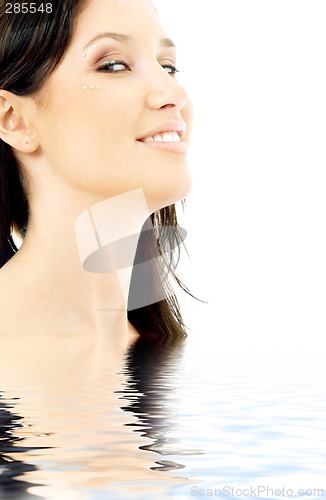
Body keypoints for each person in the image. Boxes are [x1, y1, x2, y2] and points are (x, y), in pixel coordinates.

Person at [0, 0, 193, 342]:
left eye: (169, 66)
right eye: (115, 65)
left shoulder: (159, 350)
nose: (174, 93)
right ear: (13, 120)